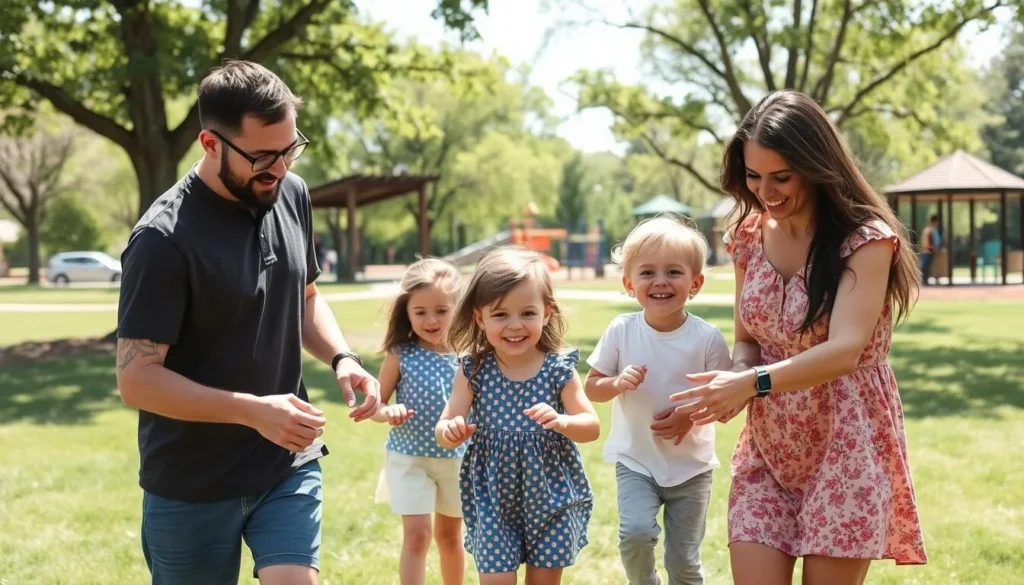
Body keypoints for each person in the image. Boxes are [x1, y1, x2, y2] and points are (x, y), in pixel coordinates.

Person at [114, 60, 381, 585]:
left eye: (289, 149)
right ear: (210, 143)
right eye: (261, 156)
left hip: (286, 461)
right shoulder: (162, 241)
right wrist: (254, 412)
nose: (278, 169)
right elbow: (136, 379)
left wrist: (342, 357)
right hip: (191, 483)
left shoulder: (291, 194)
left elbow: (305, 297)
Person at [668, 89, 926, 585]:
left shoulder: (865, 238)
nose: (766, 191)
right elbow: (748, 339)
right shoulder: (747, 236)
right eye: (754, 175)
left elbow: (845, 350)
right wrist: (731, 384)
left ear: (815, 164)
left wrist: (751, 383)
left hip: (847, 444)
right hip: (769, 449)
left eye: (781, 177)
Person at [435, 246, 600, 585]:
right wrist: (450, 429)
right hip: (493, 499)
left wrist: (563, 422)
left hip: (550, 496)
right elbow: (445, 423)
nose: (515, 325)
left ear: (547, 313)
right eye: (500, 315)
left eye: (527, 313)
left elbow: (591, 426)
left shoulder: (558, 369)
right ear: (480, 317)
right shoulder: (474, 369)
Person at [584, 216, 733, 585]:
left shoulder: (708, 339)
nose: (661, 281)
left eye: (674, 272)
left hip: (691, 468)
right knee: (635, 534)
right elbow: (592, 387)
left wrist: (689, 417)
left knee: (683, 561)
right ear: (628, 283)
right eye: (648, 272)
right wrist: (616, 382)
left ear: (695, 283)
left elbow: (726, 403)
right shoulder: (621, 331)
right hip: (636, 461)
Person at [371, 258, 466, 585]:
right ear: (407, 312)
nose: (431, 319)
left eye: (441, 310)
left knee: (450, 537)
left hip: (456, 458)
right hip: (409, 458)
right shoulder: (401, 353)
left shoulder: (468, 355)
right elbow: (377, 403)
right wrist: (387, 412)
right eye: (420, 311)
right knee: (418, 535)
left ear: (458, 308)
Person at [919, 214, 941, 284]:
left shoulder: (928, 229)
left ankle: (925, 280)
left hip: (928, 250)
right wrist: (932, 248)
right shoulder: (930, 230)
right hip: (929, 250)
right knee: (925, 266)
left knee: (926, 266)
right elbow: (931, 241)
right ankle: (924, 280)